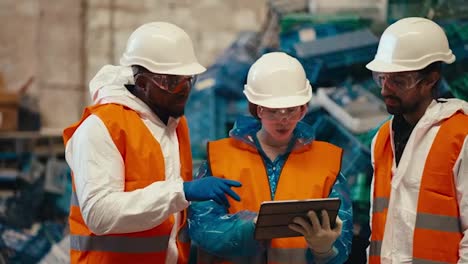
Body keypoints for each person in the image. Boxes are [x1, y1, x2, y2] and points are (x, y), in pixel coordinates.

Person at [63, 22, 242, 264]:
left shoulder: (175, 126)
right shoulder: (102, 127)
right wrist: (183, 191)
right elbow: (99, 214)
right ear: (142, 82)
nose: (184, 90)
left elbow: (169, 211)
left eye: (188, 80)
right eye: (171, 82)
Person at [188, 52, 353, 263]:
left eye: (291, 110)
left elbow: (343, 241)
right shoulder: (219, 158)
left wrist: (325, 250)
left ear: (303, 110)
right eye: (273, 111)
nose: (282, 119)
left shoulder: (327, 162)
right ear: (257, 109)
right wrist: (252, 227)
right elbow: (202, 228)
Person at [366, 17, 468, 263]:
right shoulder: (382, 139)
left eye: (398, 81)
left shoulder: (461, 136)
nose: (385, 89)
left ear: (431, 79)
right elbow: (378, 230)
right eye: (382, 78)